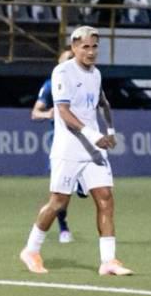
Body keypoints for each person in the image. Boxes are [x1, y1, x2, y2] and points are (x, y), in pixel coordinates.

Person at [20, 26, 133, 277]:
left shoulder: (96, 73)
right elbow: (63, 112)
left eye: (94, 47)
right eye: (85, 47)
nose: (91, 52)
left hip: (93, 150)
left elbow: (103, 103)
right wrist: (95, 135)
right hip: (69, 148)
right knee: (58, 202)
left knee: (105, 198)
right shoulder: (62, 72)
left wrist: (110, 131)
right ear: (74, 48)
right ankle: (31, 250)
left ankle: (108, 261)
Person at [29, 49, 80, 244]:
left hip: (82, 139)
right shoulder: (51, 85)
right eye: (67, 60)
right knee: (62, 190)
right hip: (61, 142)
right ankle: (62, 227)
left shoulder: (83, 84)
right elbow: (35, 113)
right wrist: (48, 114)